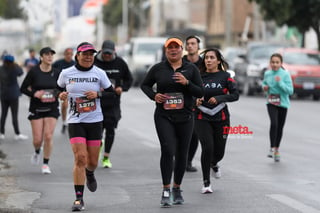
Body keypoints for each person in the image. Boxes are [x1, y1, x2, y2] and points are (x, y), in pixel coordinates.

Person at [140, 37, 204, 207]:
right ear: (166, 50)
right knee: (168, 150)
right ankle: (166, 188)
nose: (173, 50)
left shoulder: (190, 69)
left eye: (176, 48)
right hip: (164, 116)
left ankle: (177, 188)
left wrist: (187, 82)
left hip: (186, 117)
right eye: (170, 48)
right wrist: (154, 96)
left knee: (182, 153)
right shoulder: (158, 68)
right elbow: (144, 85)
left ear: (181, 50)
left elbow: (200, 91)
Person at [57, 42, 114, 211]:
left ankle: (90, 173)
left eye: (91, 54)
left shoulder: (99, 73)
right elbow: (57, 88)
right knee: (80, 158)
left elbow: (111, 93)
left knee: (93, 162)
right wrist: (60, 95)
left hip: (95, 121)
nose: (88, 57)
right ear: (77, 55)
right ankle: (78, 199)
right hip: (76, 121)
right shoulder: (66, 73)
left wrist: (98, 94)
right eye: (85, 54)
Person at [194, 48, 239, 194]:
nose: (208, 60)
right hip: (202, 117)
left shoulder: (226, 77)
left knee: (219, 152)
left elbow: (235, 95)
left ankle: (214, 163)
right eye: (206, 57)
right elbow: (189, 93)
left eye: (212, 58)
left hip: (222, 118)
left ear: (218, 61)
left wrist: (220, 98)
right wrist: (195, 99)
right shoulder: (198, 77)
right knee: (207, 147)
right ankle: (206, 183)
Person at [20, 47, 60, 174]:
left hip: (52, 108)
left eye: (51, 55)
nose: (50, 57)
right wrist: (35, 94)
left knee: (48, 136)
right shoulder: (34, 72)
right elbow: (23, 88)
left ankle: (45, 164)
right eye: (47, 55)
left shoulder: (57, 72)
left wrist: (59, 93)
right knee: (37, 139)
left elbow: (62, 88)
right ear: (41, 57)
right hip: (36, 108)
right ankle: (37, 151)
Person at [94, 40, 133, 168]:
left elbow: (129, 79)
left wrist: (122, 88)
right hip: (96, 103)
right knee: (97, 132)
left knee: (110, 130)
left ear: (114, 52)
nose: (107, 56)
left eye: (109, 54)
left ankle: (106, 157)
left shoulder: (120, 63)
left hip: (113, 103)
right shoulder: (94, 62)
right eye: (105, 53)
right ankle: (98, 145)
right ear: (101, 51)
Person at [262, 53, 293, 162]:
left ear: (281, 63)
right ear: (270, 63)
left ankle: (276, 149)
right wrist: (264, 87)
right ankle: (271, 147)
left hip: (283, 103)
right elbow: (264, 84)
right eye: (273, 62)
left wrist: (280, 83)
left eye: (277, 62)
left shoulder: (285, 74)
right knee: (274, 123)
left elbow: (290, 91)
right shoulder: (267, 74)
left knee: (280, 127)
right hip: (271, 102)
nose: (275, 64)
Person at [182, 35, 203, 172]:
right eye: (188, 44)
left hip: (198, 104)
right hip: (180, 102)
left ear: (198, 47)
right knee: (180, 133)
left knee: (195, 134)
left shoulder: (204, 64)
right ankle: (179, 159)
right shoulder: (180, 62)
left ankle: (188, 161)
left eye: (193, 44)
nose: (190, 46)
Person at [0, 54, 28, 140]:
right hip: (13, 94)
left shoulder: (1, 69)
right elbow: (21, 72)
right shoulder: (14, 68)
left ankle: (1, 133)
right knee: (14, 115)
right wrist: (16, 64)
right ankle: (17, 133)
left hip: (3, 94)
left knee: (3, 114)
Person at [53, 47, 76, 134]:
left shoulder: (75, 64)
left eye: (70, 54)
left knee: (74, 106)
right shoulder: (58, 63)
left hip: (73, 87)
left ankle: (72, 122)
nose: (69, 56)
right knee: (65, 105)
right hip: (62, 87)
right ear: (64, 54)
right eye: (67, 54)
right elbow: (51, 71)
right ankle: (64, 123)